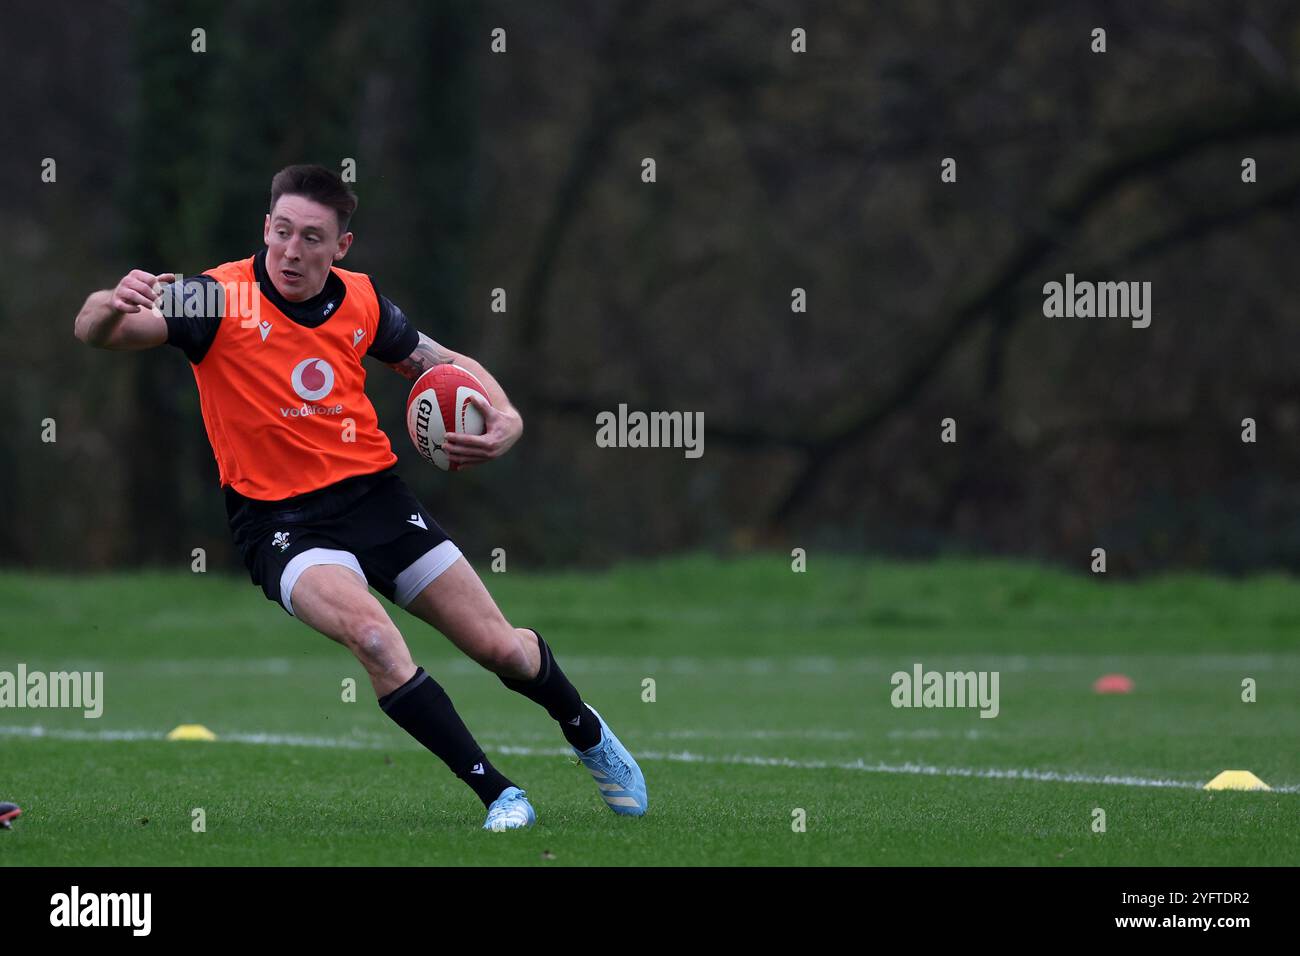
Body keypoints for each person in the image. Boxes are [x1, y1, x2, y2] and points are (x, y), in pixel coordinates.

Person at [72, 164, 647, 830]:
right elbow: (96, 332)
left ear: (340, 246)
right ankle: (500, 794)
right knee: (374, 638)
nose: (292, 250)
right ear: (265, 229)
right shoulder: (215, 298)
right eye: (282, 232)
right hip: (279, 522)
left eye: (312, 237)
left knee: (500, 649)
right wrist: (115, 301)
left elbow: (440, 363)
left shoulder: (359, 300)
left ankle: (588, 733)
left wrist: (506, 415)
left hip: (374, 499)